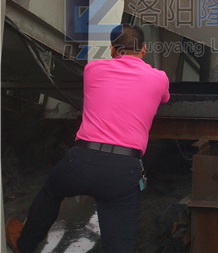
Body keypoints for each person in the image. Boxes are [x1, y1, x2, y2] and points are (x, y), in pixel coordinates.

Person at [5, 25, 170, 253]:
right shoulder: (160, 79)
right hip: (123, 169)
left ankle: (25, 244)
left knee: (51, 193)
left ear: (112, 50)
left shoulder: (93, 70)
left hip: (81, 161)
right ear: (143, 49)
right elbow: (163, 99)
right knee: (120, 241)